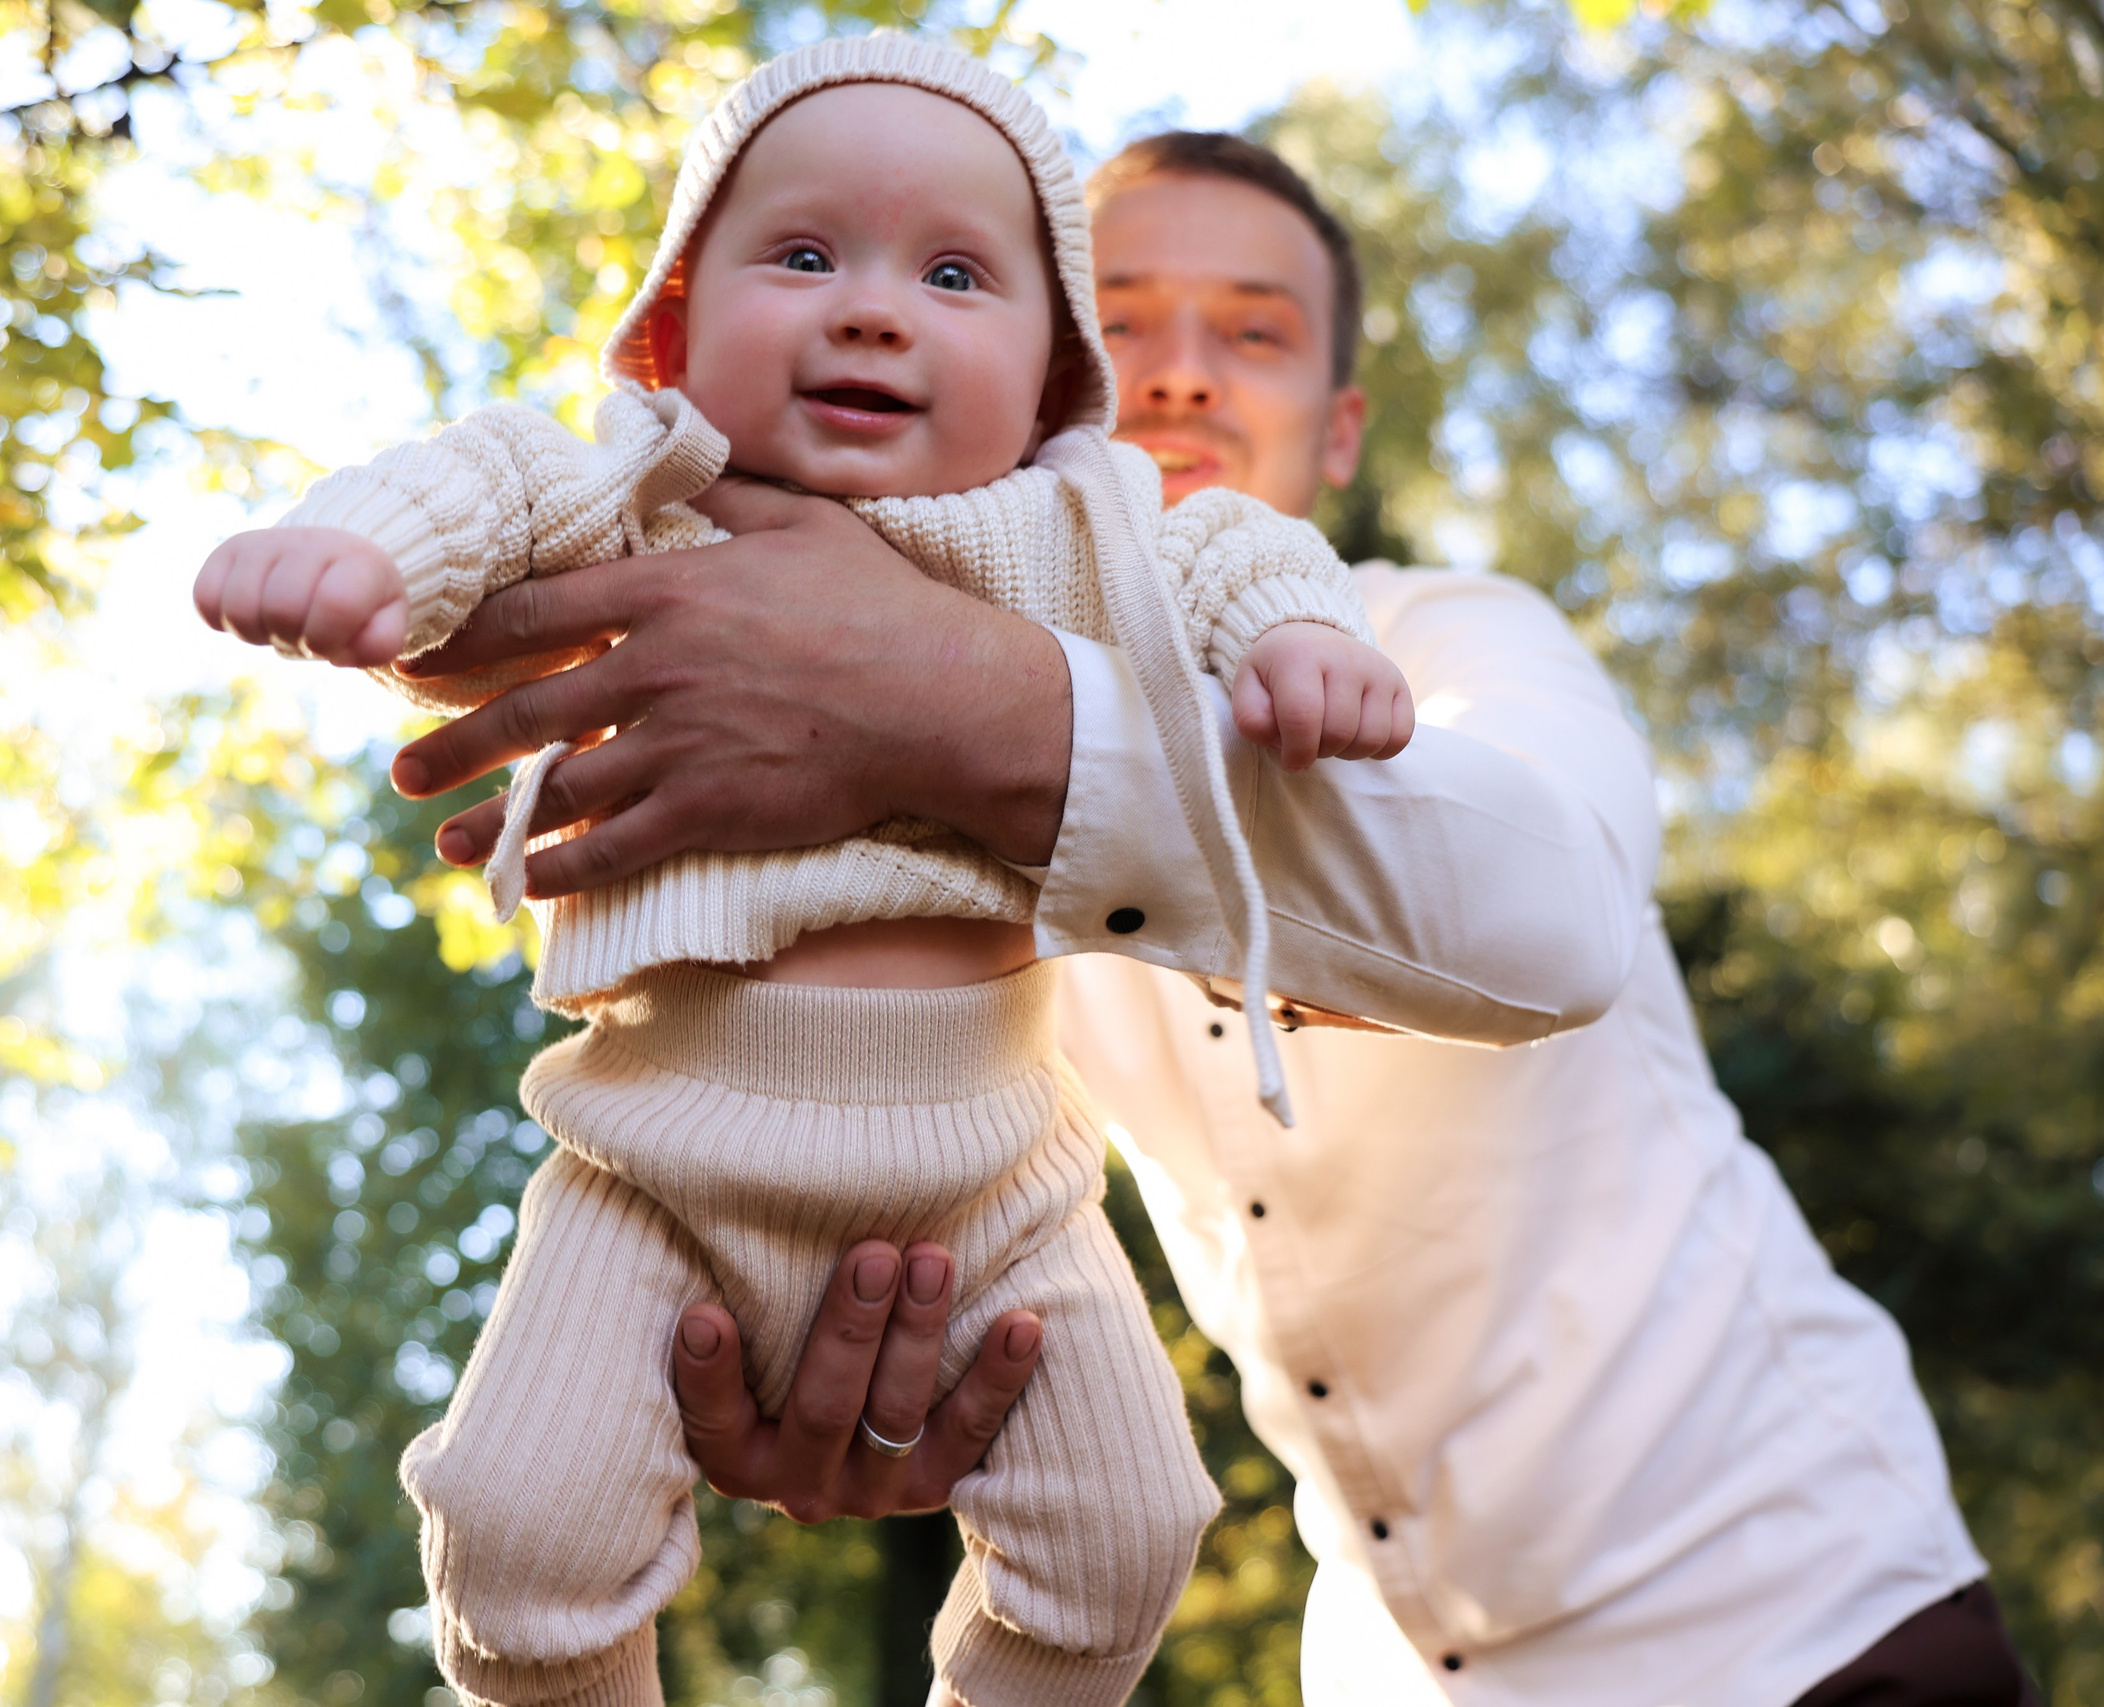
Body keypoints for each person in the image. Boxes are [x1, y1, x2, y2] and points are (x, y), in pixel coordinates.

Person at [385, 130, 2041, 1706]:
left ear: (1339, 432)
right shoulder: (864, 791)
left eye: (1255, 332)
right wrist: (804, 1346)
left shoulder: (1445, 635)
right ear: (1046, 381)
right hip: (1392, 1671)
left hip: (1797, 1611)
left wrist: (949, 698)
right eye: (1122, 321)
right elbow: (927, 1160)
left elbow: (1558, 921)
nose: (1180, 374)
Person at [194, 42, 1416, 1707]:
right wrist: (360, 551)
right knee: (511, 1531)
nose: (873, 312)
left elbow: (1239, 556)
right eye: (803, 253)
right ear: (673, 328)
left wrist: (1299, 640)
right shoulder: (646, 494)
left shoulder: (1086, 532)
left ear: (1054, 379)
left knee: (1128, 1535)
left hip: (995, 1182)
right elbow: (481, 478)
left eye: (955, 276)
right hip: (655, 1164)